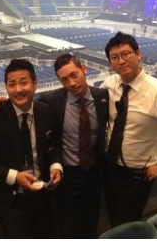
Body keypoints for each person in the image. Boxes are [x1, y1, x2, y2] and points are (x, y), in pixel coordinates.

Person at [100, 32, 157, 228]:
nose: (121, 61)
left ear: (138, 54)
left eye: (126, 54)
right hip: (109, 168)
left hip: (137, 175)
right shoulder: (109, 84)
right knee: (113, 217)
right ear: (110, 63)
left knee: (126, 226)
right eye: (115, 57)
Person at [0, 58, 63, 239]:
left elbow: (55, 145)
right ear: (6, 87)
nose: (18, 89)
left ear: (35, 83)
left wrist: (56, 166)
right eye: (12, 84)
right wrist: (15, 176)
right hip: (10, 201)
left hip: (44, 196)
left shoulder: (47, 111)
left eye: (24, 82)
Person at [38, 54, 109, 238]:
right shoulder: (51, 100)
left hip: (94, 173)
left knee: (91, 222)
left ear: (84, 69)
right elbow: (26, 106)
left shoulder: (103, 97)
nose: (71, 83)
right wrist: (2, 102)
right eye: (64, 80)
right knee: (67, 226)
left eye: (74, 75)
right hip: (67, 175)